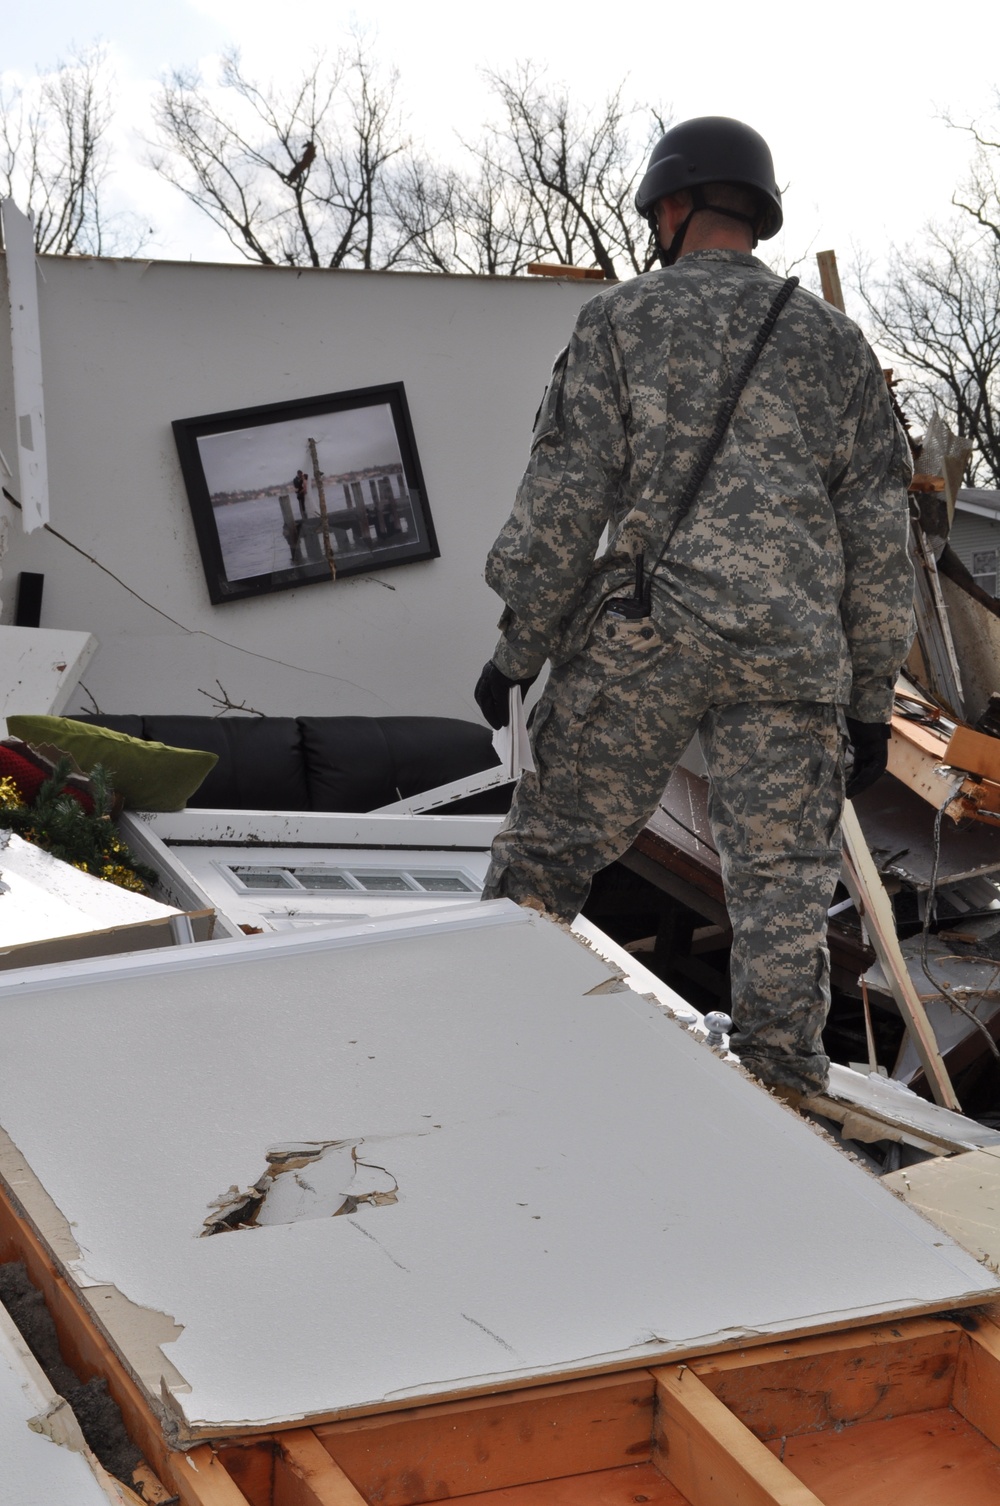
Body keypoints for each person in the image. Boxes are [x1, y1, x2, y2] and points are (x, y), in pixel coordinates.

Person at [474, 116, 913, 1102]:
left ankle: (483, 1059)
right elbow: (879, 546)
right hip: (790, 657)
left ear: (670, 207)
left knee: (547, 860)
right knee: (781, 907)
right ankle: (785, 1117)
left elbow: (566, 494)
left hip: (648, 637)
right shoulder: (836, 345)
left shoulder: (623, 321)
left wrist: (519, 645)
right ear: (753, 212)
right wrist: (872, 702)